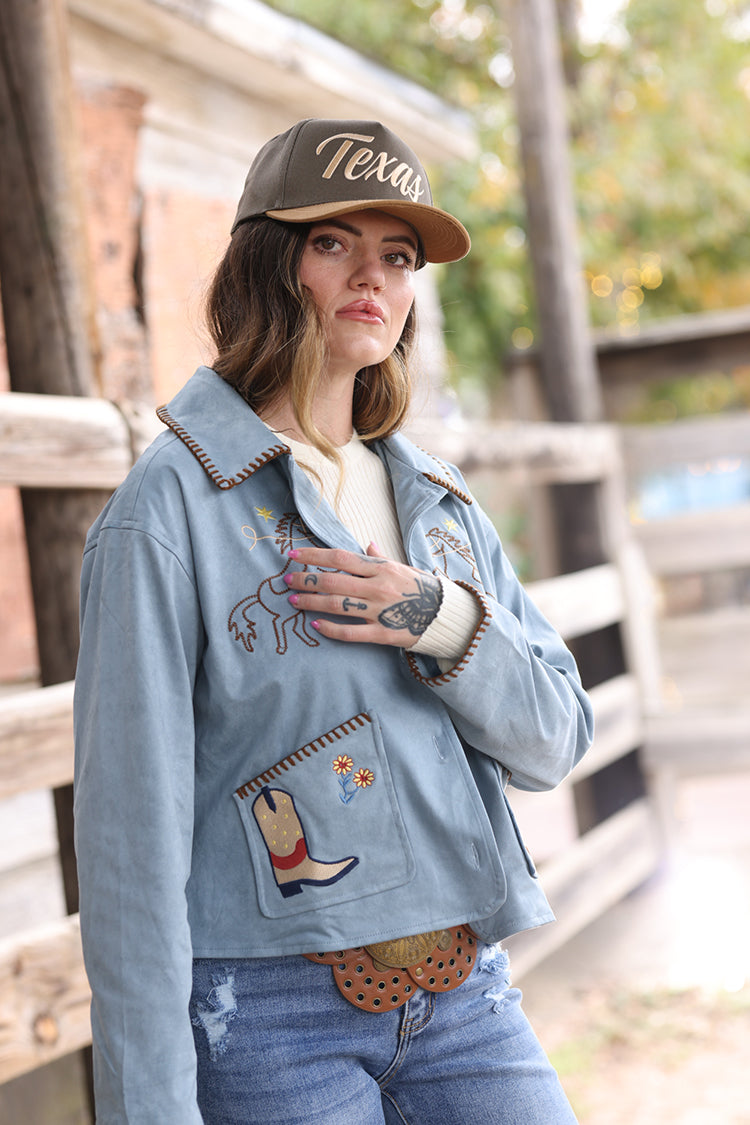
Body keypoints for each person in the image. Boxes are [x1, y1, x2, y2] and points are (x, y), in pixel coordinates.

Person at [74, 117, 594, 1124]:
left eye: (397, 257)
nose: (374, 277)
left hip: (465, 992)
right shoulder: (165, 514)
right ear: (270, 263)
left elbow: (555, 737)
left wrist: (441, 620)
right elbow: (127, 849)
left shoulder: (438, 502)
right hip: (262, 1018)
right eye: (333, 243)